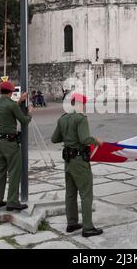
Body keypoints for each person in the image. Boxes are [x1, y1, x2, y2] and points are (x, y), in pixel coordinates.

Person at [51, 93, 104, 237]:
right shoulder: (81, 118)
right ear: (82, 103)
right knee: (86, 194)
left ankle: (72, 223)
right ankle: (88, 227)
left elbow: (54, 139)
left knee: (70, 193)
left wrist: (68, 136)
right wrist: (96, 140)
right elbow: (85, 139)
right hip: (80, 161)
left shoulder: (63, 119)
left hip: (68, 161)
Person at [0, 81, 33, 212]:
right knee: (14, 171)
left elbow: (9, 108)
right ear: (11, 92)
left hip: (0, 142)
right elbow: (24, 120)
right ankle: (12, 201)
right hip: (11, 143)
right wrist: (30, 112)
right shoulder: (11, 105)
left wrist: (20, 101)